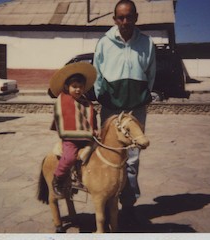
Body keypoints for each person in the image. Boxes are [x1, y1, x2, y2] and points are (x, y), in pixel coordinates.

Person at [93, 0, 156, 224]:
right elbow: (97, 73)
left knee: (132, 158)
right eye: (121, 17)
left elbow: (151, 73)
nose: (125, 21)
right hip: (111, 107)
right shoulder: (104, 43)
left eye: (129, 17)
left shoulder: (147, 43)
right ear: (114, 19)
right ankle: (108, 200)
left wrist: (142, 97)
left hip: (135, 109)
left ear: (136, 17)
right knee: (109, 153)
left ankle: (128, 205)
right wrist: (103, 97)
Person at [49, 62, 98, 199]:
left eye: (80, 87)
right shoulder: (64, 101)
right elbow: (68, 119)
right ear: (66, 87)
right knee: (70, 157)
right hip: (71, 139)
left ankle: (88, 179)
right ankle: (57, 179)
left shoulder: (86, 103)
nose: (77, 90)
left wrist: (95, 130)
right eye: (74, 86)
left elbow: (91, 119)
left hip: (88, 138)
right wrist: (89, 133)